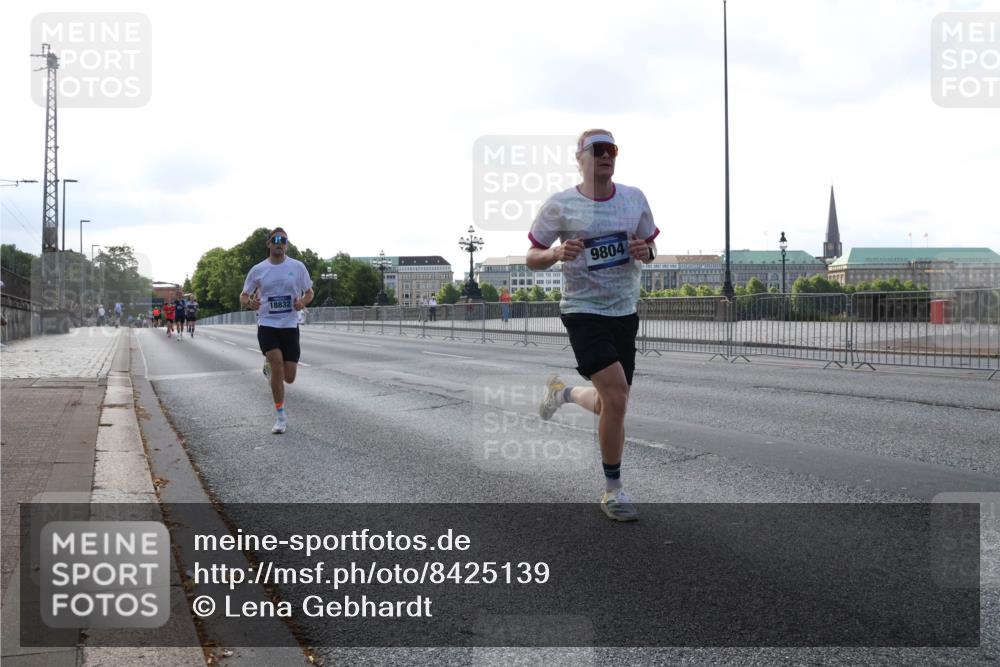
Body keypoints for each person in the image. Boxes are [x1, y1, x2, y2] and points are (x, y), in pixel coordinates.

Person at [529, 129, 659, 522]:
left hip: (624, 311)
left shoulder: (634, 199)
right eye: (597, 149)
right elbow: (531, 256)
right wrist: (554, 252)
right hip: (583, 311)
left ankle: (563, 393)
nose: (606, 156)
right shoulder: (561, 205)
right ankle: (613, 491)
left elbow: (652, 248)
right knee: (618, 397)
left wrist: (646, 251)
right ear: (580, 158)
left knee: (607, 403)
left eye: (612, 149)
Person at [240, 227, 314, 434]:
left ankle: (270, 368)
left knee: (289, 377)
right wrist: (250, 303)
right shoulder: (258, 270)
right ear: (269, 243)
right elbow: (244, 295)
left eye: (284, 240)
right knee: (276, 361)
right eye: (276, 239)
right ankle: (280, 415)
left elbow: (309, 292)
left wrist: (303, 302)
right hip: (267, 323)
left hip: (290, 325)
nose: (280, 243)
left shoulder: (297, 267)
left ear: (286, 244)